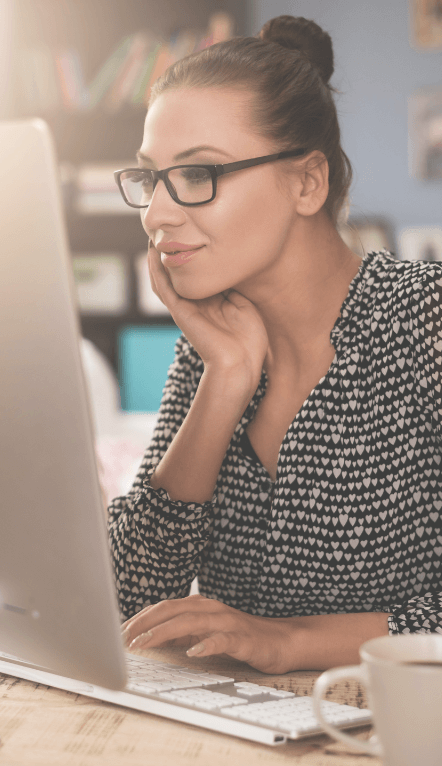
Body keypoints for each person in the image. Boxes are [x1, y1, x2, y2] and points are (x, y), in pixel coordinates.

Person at [109, 15, 442, 674]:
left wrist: (287, 642)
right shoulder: (211, 344)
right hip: (238, 730)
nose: (156, 214)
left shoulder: (424, 320)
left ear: (306, 183)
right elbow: (134, 597)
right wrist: (224, 379)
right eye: (151, 178)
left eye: (198, 173)